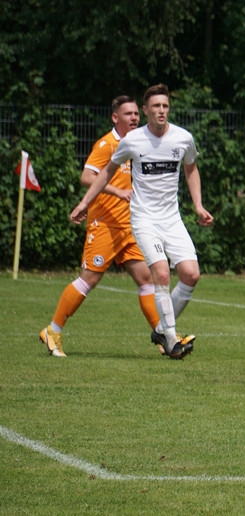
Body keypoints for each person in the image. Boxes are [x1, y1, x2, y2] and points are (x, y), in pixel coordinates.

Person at [70, 83, 212, 360]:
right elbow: (105, 172)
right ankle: (171, 340)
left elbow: (191, 168)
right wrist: (84, 203)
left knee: (191, 274)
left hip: (172, 218)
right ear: (146, 110)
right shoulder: (132, 141)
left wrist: (198, 205)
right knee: (162, 274)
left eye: (165, 106)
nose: (161, 111)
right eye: (156, 106)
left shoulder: (183, 138)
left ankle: (160, 329)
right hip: (143, 219)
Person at [40, 96, 160, 356]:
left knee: (146, 279)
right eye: (127, 114)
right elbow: (87, 176)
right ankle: (52, 331)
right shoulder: (107, 144)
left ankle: (165, 339)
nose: (134, 118)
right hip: (105, 224)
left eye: (136, 113)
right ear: (115, 117)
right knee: (89, 280)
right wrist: (117, 191)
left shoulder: (137, 144)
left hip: (129, 226)